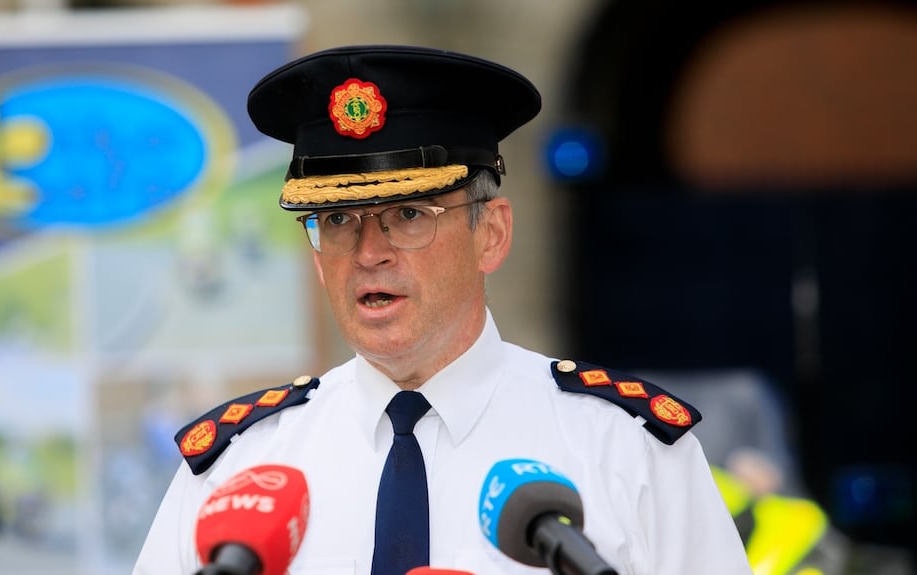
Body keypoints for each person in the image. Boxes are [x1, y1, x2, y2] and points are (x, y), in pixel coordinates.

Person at [132, 45, 752, 575]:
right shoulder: (241, 471)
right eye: (339, 221)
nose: (369, 252)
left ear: (492, 235)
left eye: (409, 216)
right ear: (317, 257)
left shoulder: (623, 450)